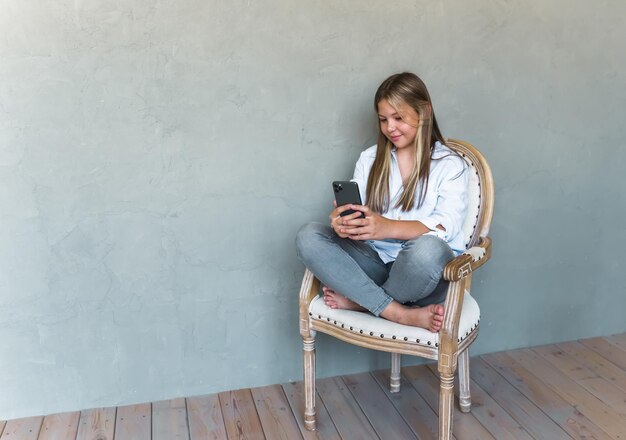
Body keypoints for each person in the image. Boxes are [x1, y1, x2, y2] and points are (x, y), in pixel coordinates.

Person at [296, 72, 468, 333]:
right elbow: (361, 217)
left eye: (399, 118)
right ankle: (398, 313)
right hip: (376, 267)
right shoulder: (370, 158)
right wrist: (343, 224)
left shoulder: (449, 164)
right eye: (383, 119)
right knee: (309, 236)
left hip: (423, 277)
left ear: (424, 111)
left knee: (427, 250)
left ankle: (364, 303)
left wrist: (386, 227)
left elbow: (448, 227)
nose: (390, 127)